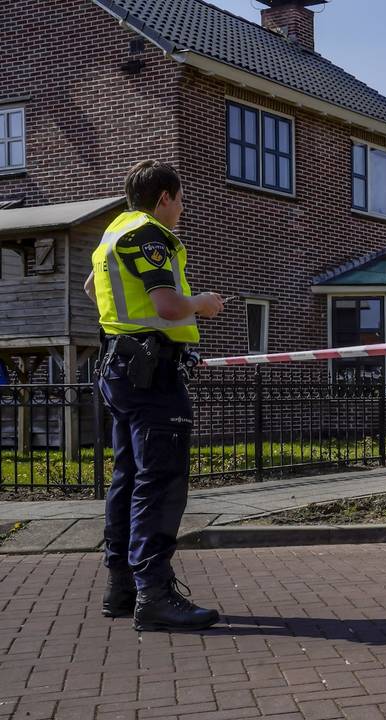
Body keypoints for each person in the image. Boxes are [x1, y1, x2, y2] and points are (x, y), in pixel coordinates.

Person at [83, 160, 227, 631]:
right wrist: (201, 304)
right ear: (163, 197)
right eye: (180, 199)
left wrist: (129, 324)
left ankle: (121, 587)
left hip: (120, 369)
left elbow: (92, 289)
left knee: (128, 477)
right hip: (152, 375)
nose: (182, 208)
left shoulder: (112, 234)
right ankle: (155, 594)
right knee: (160, 480)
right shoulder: (148, 235)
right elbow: (167, 304)